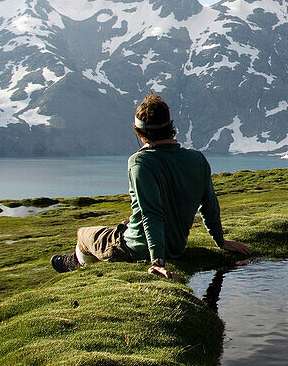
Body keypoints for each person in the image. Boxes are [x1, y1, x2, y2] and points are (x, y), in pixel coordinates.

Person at [51, 92, 252, 280]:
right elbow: (209, 203)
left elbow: (151, 213)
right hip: (177, 247)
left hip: (138, 248)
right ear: (170, 126)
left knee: (83, 234)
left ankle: (79, 266)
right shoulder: (197, 159)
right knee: (122, 226)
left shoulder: (140, 162)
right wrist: (221, 241)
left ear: (139, 133)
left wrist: (157, 261)